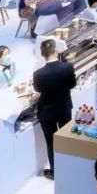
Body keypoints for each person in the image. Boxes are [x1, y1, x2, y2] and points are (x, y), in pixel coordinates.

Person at [33, 38, 77, 179]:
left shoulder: (38, 74)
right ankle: (68, 166)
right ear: (56, 51)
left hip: (47, 111)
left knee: (51, 142)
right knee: (65, 138)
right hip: (64, 108)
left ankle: (55, 171)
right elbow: (72, 84)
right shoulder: (68, 67)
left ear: (42, 54)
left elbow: (37, 89)